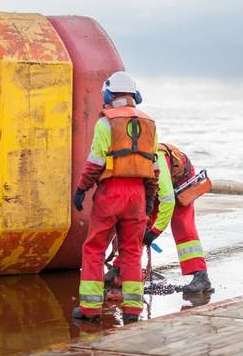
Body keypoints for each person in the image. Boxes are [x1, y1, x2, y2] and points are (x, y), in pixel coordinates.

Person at [72, 71, 158, 322]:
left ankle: (90, 309)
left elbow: (95, 162)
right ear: (135, 96)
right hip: (138, 195)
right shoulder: (150, 124)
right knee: (131, 251)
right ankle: (133, 310)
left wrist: (81, 189)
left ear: (109, 94)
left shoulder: (105, 123)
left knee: (94, 248)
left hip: (111, 193)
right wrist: (150, 198)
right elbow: (154, 169)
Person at [105, 143, 213, 294]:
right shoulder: (131, 165)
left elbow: (168, 202)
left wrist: (155, 232)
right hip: (154, 187)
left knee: (182, 226)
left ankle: (201, 277)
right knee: (139, 224)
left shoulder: (157, 163)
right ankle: (118, 269)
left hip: (180, 181)